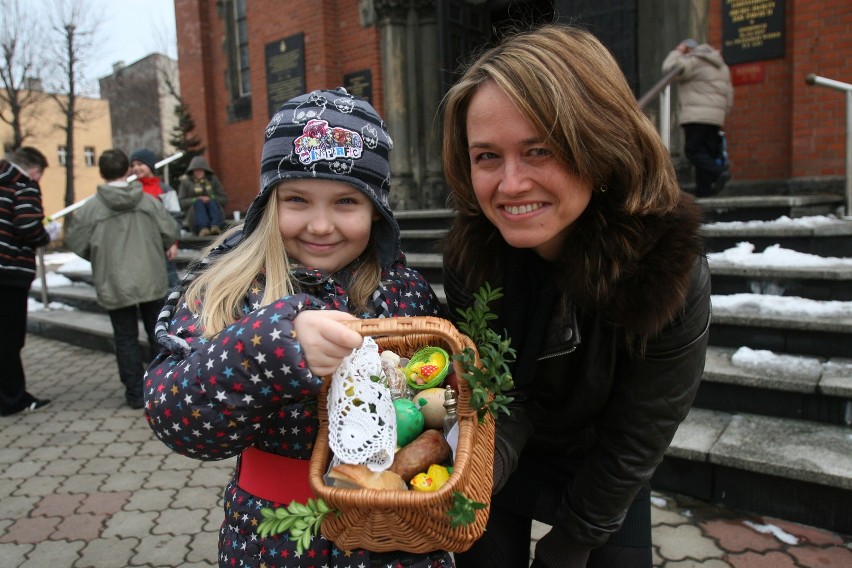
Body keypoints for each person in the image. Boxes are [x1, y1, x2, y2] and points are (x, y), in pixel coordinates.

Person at [440, 24, 711, 567]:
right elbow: (498, 396)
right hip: (508, 442)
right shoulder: (475, 253)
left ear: (599, 143)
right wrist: (475, 477)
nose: (510, 184)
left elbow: (639, 432)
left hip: (605, 458)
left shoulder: (668, 269)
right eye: (487, 156)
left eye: (539, 150)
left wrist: (572, 540)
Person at [144, 88, 448, 568]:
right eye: (298, 200)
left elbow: (439, 398)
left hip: (396, 537)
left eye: (347, 201)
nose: (321, 224)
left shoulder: (403, 289)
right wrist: (268, 347)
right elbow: (176, 417)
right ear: (269, 202)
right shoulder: (229, 290)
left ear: (376, 209)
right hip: (277, 538)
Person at [64, 149, 180, 409]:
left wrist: (99, 257)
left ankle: (135, 395)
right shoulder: (148, 202)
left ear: (102, 172)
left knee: (124, 337)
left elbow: (76, 241)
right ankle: (159, 389)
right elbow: (169, 231)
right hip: (150, 276)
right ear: (127, 170)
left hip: (113, 280)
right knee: (156, 333)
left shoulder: (90, 208)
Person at [0, 147, 62, 416]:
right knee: (10, 339)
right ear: (34, 170)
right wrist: (46, 233)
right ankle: (13, 399)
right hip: (10, 270)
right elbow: (27, 226)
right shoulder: (23, 185)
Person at [663, 37, 734, 197]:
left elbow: (670, 69)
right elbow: (729, 93)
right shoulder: (722, 65)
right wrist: (722, 113)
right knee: (706, 152)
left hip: (695, 115)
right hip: (716, 116)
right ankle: (704, 191)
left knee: (693, 150)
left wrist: (677, 52)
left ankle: (718, 172)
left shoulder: (695, 60)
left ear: (688, 49)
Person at [130, 147, 181, 288]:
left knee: (171, 286)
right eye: (133, 165)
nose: (136, 168)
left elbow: (176, 217)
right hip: (139, 247)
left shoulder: (166, 190)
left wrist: (173, 243)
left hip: (162, 246)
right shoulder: (130, 191)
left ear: (150, 165)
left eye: (140, 164)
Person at [177, 154, 228, 235]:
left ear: (205, 170)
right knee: (199, 202)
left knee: (212, 201)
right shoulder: (186, 182)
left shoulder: (213, 180)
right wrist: (196, 199)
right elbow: (181, 201)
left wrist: (210, 199)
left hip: (215, 213)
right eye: (195, 170)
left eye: (200, 170)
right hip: (194, 216)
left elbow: (224, 199)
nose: (198, 173)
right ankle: (203, 228)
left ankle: (215, 226)